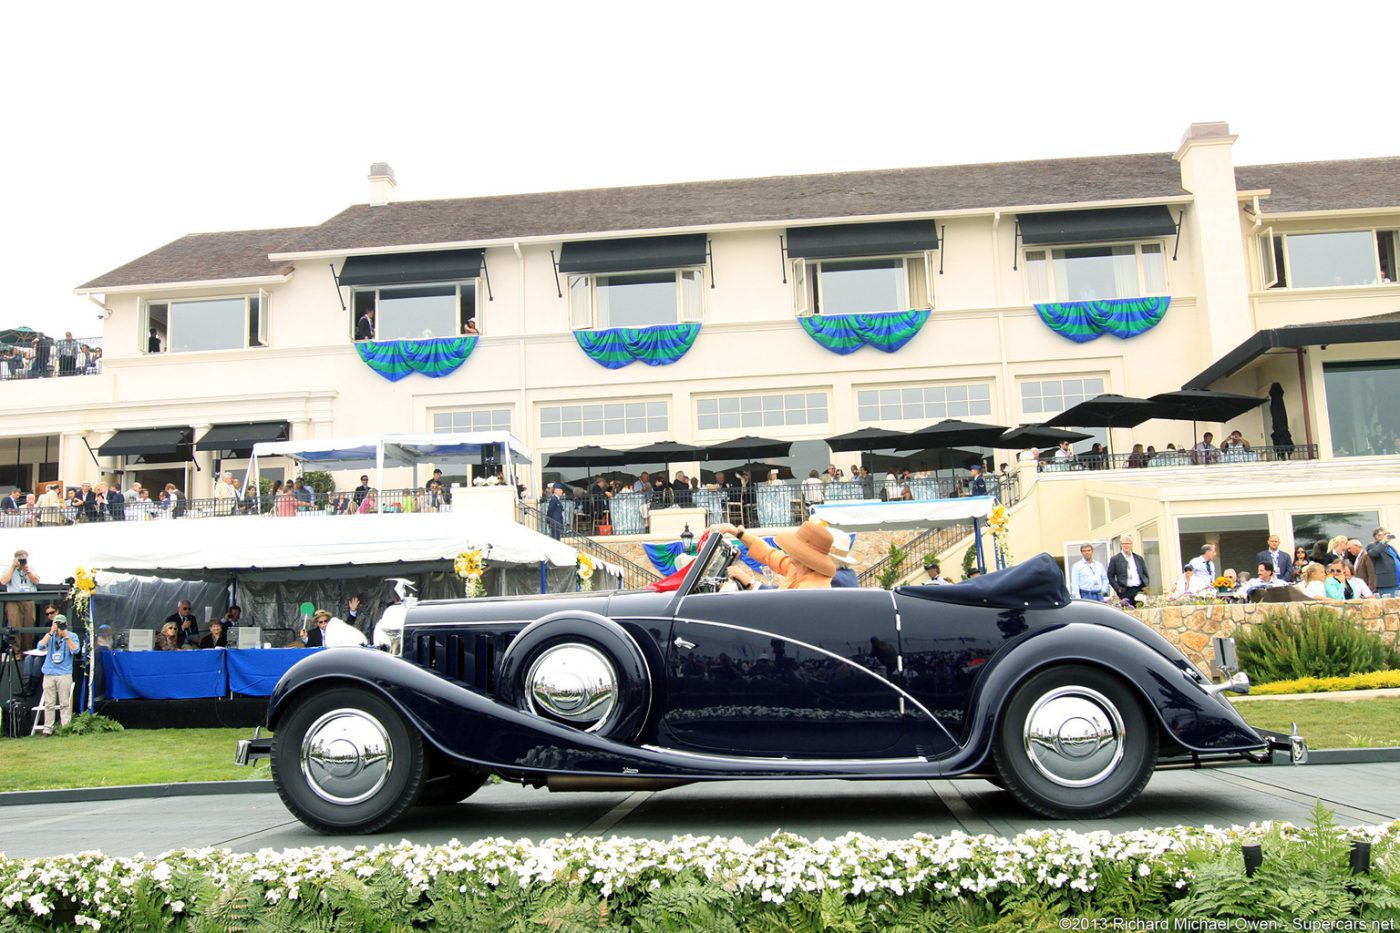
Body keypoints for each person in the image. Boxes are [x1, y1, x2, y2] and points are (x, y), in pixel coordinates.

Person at [711, 520, 835, 589]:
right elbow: (768, 553)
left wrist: (750, 582)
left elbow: (781, 606)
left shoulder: (811, 588)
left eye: (795, 546)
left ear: (804, 556)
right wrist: (734, 531)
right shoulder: (797, 568)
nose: (789, 548)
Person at [35, 611, 80, 736]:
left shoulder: (72, 636)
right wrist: (51, 632)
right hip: (49, 672)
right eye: (57, 624)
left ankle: (65, 727)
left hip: (64, 673)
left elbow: (76, 650)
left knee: (65, 703)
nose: (59, 627)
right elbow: (40, 646)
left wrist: (66, 636)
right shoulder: (50, 636)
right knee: (49, 703)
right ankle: (47, 729)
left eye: (61, 625)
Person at [1, 548, 40, 637]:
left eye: (24, 559)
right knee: (14, 626)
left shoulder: (31, 569)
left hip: (28, 600)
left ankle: (27, 649)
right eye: (20, 559)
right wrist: (13, 566)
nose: (22, 561)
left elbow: (36, 581)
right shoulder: (9, 569)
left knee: (29, 626)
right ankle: (16, 650)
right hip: (13, 601)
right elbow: (3, 581)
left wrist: (27, 570)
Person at [1108, 534, 1150, 604]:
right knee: (1127, 611)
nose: (1126, 545)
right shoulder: (1115, 559)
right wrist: (1118, 589)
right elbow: (1110, 576)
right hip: (1124, 591)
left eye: (1128, 543)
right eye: (1124, 543)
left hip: (1139, 591)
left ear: (1131, 545)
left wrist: (1145, 587)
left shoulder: (1138, 558)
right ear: (1121, 545)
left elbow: (1145, 574)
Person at [1364, 526, 1400, 597]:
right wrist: (1383, 542)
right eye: (1385, 534)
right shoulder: (1372, 546)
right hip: (1387, 582)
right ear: (1377, 536)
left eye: (1388, 533)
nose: (1388, 536)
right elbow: (1374, 554)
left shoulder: (1390, 547)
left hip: (1397, 581)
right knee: (1390, 605)